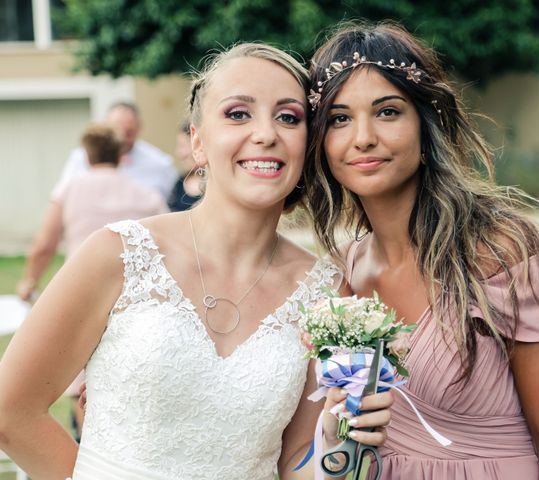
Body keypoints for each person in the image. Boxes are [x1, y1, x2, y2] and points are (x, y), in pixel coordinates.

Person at [0, 43, 391, 480]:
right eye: (238, 114)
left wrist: (338, 443)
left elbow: (295, 459)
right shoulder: (117, 254)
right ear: (198, 142)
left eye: (288, 117)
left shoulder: (326, 293)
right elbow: (10, 411)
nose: (265, 134)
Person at [304, 22, 539, 479]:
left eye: (388, 112)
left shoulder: (500, 252)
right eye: (339, 118)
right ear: (321, 142)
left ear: (425, 122)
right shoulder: (344, 272)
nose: (363, 138)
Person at [16, 124, 168, 302]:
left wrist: (29, 281)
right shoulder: (147, 195)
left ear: (87, 157)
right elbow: (166, 243)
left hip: (80, 285)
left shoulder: (69, 190)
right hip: (134, 292)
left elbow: (45, 245)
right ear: (120, 156)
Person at [52, 101, 178, 200]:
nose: (121, 139)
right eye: (116, 131)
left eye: (128, 132)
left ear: (139, 127)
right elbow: (60, 197)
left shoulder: (159, 163)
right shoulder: (80, 158)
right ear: (105, 125)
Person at [167, 121, 203, 211]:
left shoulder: (217, 185)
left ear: (198, 145)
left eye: (183, 146)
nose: (179, 154)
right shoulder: (179, 184)